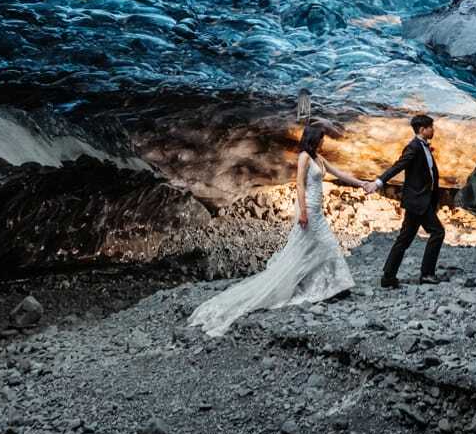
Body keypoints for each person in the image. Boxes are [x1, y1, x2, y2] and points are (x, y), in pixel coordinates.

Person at [187, 123, 378, 336]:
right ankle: (330, 286)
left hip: (318, 209)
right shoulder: (304, 157)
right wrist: (303, 212)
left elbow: (339, 173)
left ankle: (333, 286)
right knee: (320, 244)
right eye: (321, 138)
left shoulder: (318, 158)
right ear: (314, 138)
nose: (324, 141)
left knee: (319, 246)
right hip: (309, 209)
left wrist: (362, 183)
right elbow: (299, 185)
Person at [368, 113, 444, 287]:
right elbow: (398, 166)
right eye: (431, 127)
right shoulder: (414, 147)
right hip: (418, 201)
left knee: (405, 238)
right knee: (438, 232)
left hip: (419, 201)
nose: (433, 130)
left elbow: (430, 173)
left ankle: (388, 277)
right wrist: (378, 182)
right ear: (423, 130)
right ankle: (426, 274)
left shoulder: (422, 146)